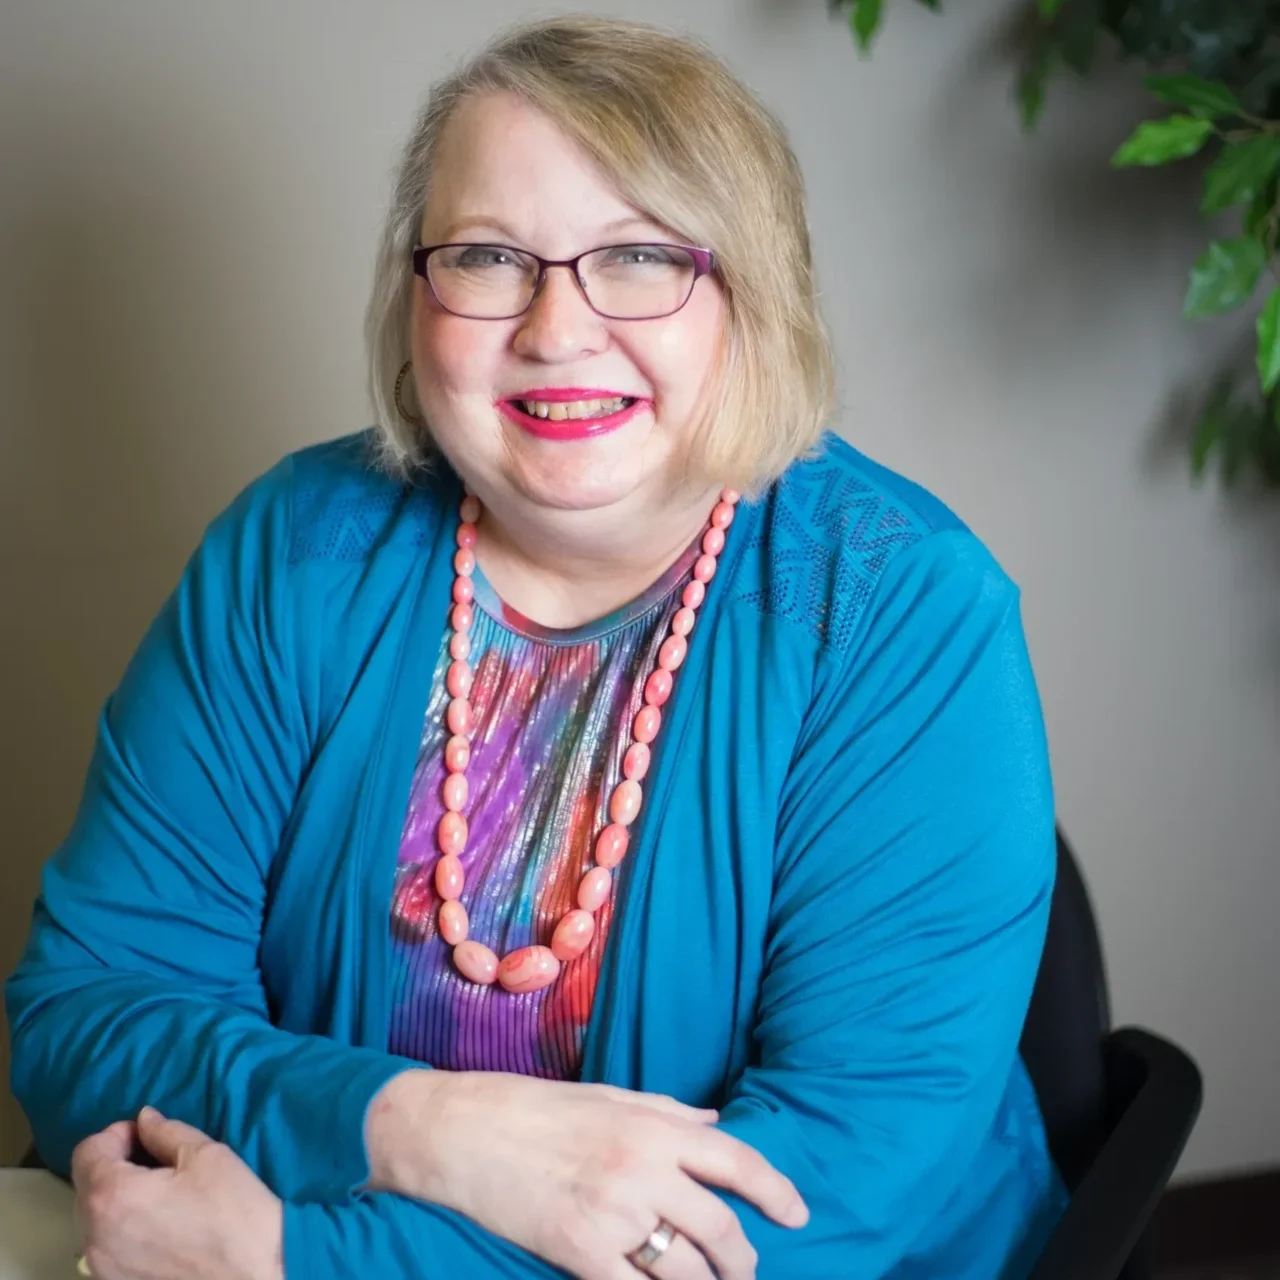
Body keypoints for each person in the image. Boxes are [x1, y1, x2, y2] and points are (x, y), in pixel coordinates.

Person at [5, 15, 1068, 1280]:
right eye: (490, 257)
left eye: (635, 257)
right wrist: (426, 1126)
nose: (556, 328)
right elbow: (90, 1009)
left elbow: (820, 1203)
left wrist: (307, 1254)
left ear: (754, 295)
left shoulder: (898, 611)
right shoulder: (288, 557)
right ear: (417, 295)